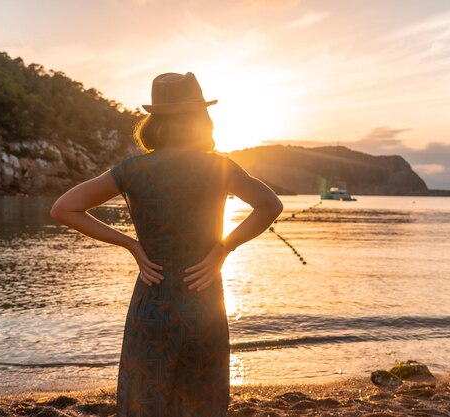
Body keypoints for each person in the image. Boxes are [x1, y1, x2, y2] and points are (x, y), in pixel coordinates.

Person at [50, 72, 283, 417]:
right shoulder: (219, 166)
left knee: (146, 399)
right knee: (202, 400)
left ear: (155, 119)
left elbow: (63, 208)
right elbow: (270, 205)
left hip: (153, 294)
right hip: (202, 295)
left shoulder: (131, 170)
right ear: (200, 118)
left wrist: (131, 245)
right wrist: (223, 249)